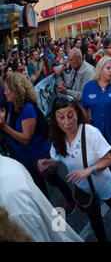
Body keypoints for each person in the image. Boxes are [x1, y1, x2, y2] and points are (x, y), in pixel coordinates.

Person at [38, 96, 111, 242]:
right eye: (61, 117)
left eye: (70, 116)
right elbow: (59, 159)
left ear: (77, 113)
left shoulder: (90, 132)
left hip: (105, 186)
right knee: (96, 224)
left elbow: (108, 159)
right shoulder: (58, 139)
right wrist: (47, 163)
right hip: (85, 191)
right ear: (55, 119)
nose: (67, 122)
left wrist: (90, 169)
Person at [0, 72, 76, 213]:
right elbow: (12, 131)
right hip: (27, 158)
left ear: (15, 90)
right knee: (40, 189)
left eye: (7, 89)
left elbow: (25, 138)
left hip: (39, 156)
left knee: (54, 181)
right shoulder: (12, 106)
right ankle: (50, 215)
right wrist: (3, 123)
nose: (4, 92)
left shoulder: (28, 108)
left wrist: (4, 126)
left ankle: (71, 201)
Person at [0, 154, 83, 242]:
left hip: (38, 158)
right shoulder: (6, 164)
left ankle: (71, 202)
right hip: (30, 161)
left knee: (56, 182)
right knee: (43, 193)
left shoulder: (12, 196)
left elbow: (36, 238)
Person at [81, 57, 111, 184]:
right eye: (108, 68)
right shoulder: (88, 87)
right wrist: (87, 124)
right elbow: (83, 108)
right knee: (104, 156)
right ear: (100, 69)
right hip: (98, 131)